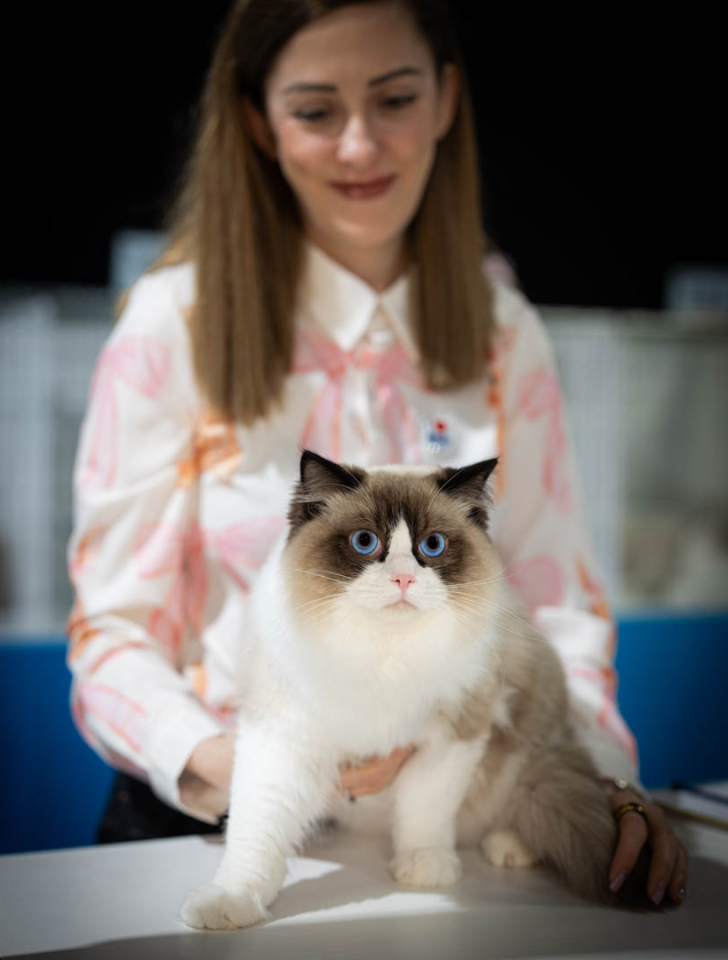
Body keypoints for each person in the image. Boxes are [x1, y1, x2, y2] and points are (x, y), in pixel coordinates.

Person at [66, 0, 686, 905]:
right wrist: (229, 759)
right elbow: (112, 634)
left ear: (445, 101)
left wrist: (599, 779)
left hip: (451, 837)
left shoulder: (505, 335)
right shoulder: (173, 326)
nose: (359, 145)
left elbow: (555, 607)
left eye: (394, 99)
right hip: (209, 825)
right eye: (317, 110)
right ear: (259, 122)